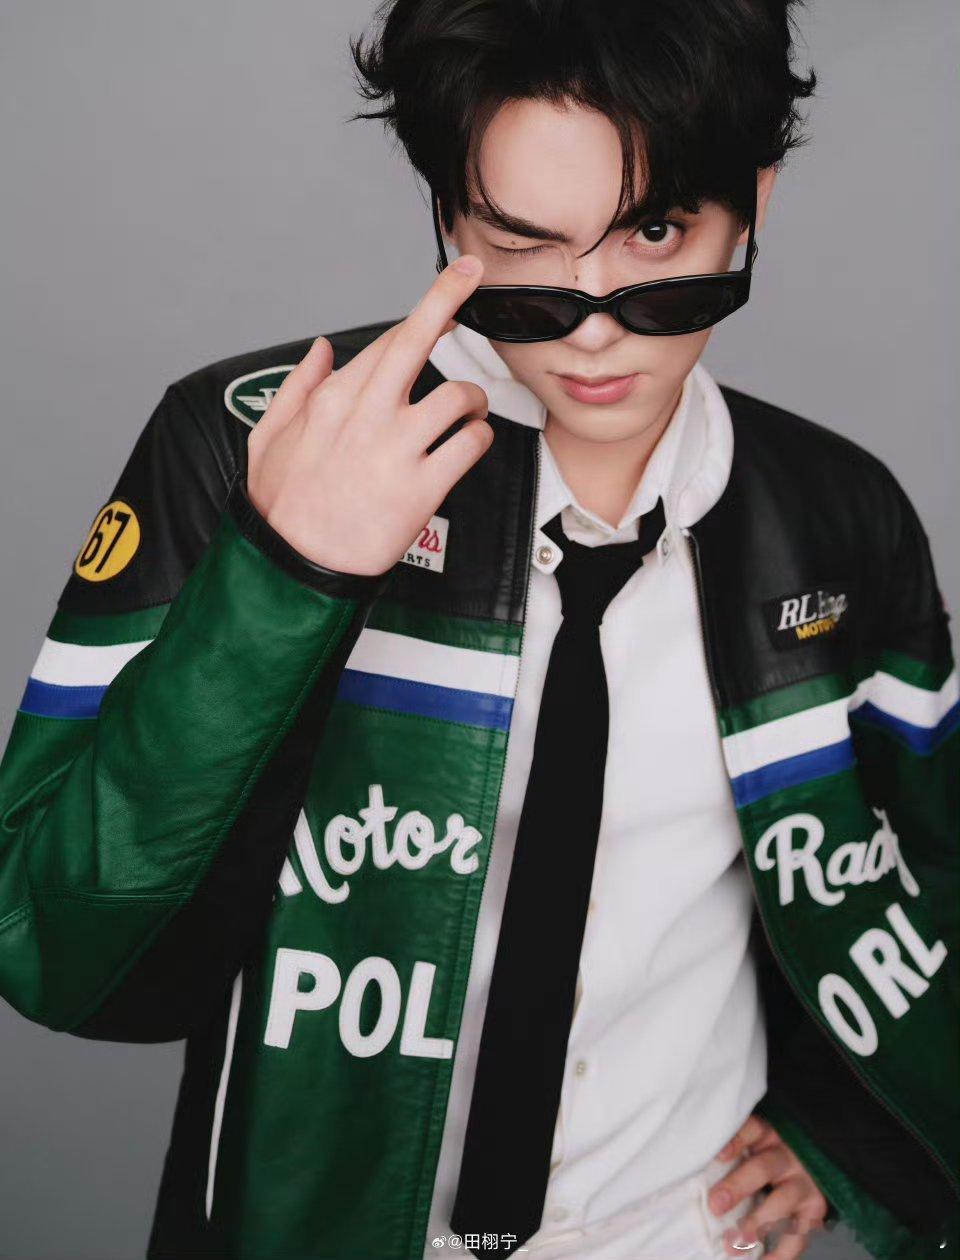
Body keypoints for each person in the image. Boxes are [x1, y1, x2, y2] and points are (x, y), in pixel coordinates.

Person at [0, 1, 957, 1258]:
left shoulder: (836, 516)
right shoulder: (249, 447)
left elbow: (931, 869)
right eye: (523, 244)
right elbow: (54, 953)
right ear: (451, 218)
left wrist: (854, 1136)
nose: (596, 320)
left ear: (753, 207)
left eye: (657, 233)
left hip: (685, 1231)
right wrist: (288, 572)